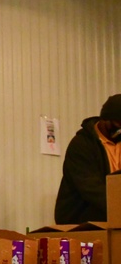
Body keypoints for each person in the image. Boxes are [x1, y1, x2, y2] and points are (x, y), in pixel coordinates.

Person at [54, 95, 121, 224]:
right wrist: (117, 207)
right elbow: (92, 189)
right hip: (81, 216)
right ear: (105, 119)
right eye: (118, 124)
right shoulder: (81, 144)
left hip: (113, 212)